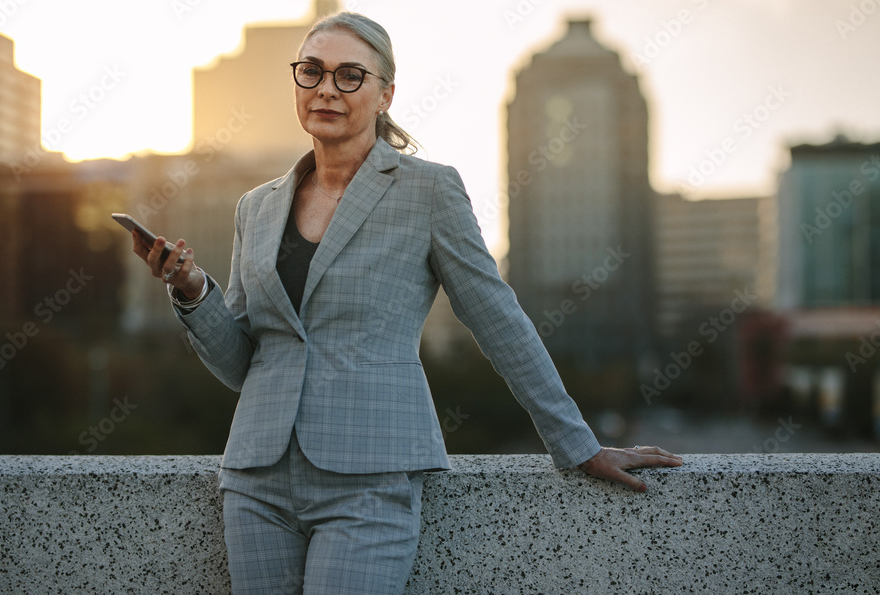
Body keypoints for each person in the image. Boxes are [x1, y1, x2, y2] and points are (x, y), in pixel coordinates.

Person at [132, 11, 682, 595]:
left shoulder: (429, 190)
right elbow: (243, 363)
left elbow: (498, 320)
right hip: (255, 480)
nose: (326, 88)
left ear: (385, 92)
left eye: (350, 76)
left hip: (370, 476)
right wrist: (191, 291)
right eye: (312, 71)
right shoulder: (256, 207)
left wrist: (576, 443)